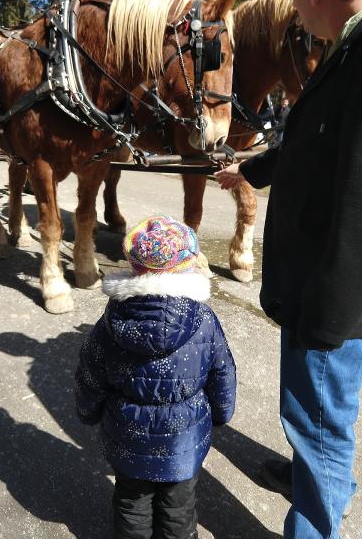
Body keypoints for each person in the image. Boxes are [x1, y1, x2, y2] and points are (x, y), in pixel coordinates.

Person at [214, 0, 362, 538]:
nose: (293, 9)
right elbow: (318, 141)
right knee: (315, 415)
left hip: (332, 293)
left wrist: (327, 319)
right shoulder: (357, 38)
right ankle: (314, 478)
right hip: (319, 280)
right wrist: (252, 170)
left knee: (319, 419)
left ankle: (314, 526)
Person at [75, 215, 236, 539]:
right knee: (178, 507)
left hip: (127, 436)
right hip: (184, 440)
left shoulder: (111, 321)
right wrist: (222, 412)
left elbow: (90, 374)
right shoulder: (203, 320)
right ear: (189, 263)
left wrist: (88, 411)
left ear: (134, 265)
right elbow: (223, 372)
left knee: (132, 503)